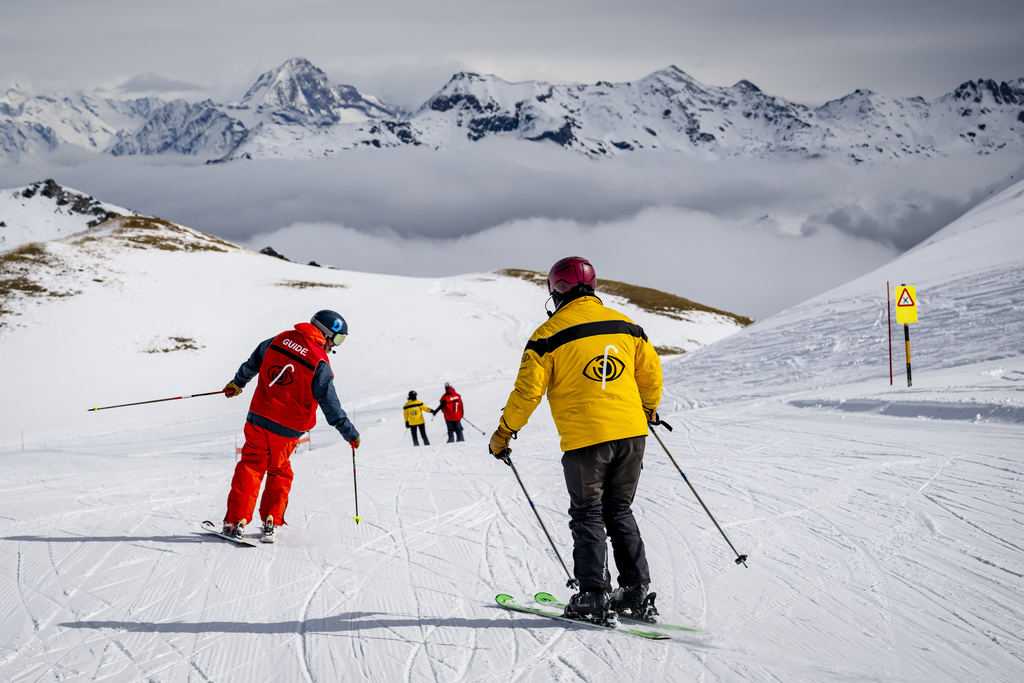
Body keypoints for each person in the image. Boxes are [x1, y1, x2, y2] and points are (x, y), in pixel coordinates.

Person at [488, 256, 663, 623]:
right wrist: (648, 410)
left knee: (588, 513)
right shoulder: (627, 325)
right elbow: (650, 373)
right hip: (633, 434)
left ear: (556, 289)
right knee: (619, 510)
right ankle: (635, 591)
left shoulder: (547, 335)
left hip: (587, 440)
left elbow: (527, 392)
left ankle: (593, 596)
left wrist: (503, 434)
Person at [221, 310, 360, 542]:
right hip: (288, 428)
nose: (335, 346)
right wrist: (349, 432)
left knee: (251, 465)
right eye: (337, 339)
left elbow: (253, 362)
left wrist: (238, 382)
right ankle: (271, 520)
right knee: (279, 469)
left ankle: (235, 522)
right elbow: (330, 403)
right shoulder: (321, 362)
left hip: (258, 416)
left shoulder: (279, 339)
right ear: (325, 333)